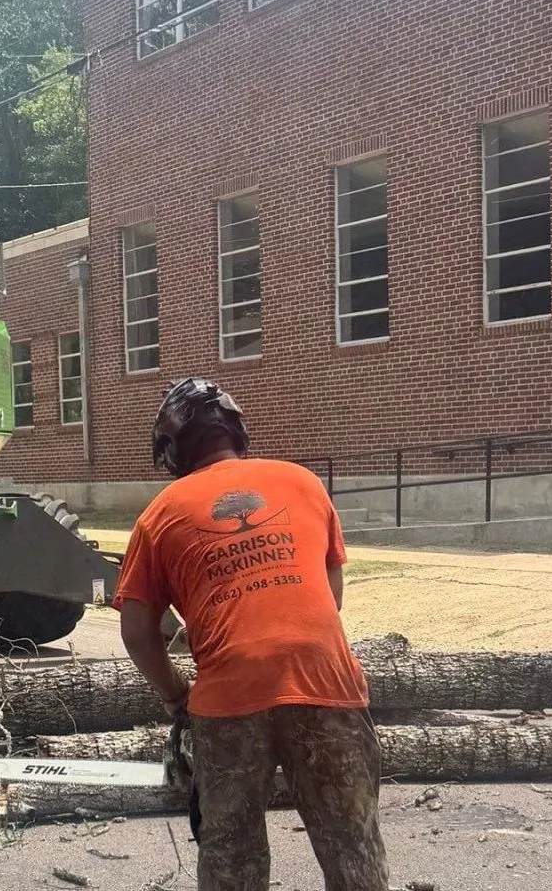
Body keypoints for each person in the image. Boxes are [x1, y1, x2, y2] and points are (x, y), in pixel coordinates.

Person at [115, 377, 389, 891]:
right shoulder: (304, 482)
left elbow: (136, 631)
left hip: (229, 699)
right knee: (353, 845)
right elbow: (330, 597)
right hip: (325, 684)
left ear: (171, 451)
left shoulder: (159, 516)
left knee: (231, 851)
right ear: (236, 432)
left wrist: (177, 698)